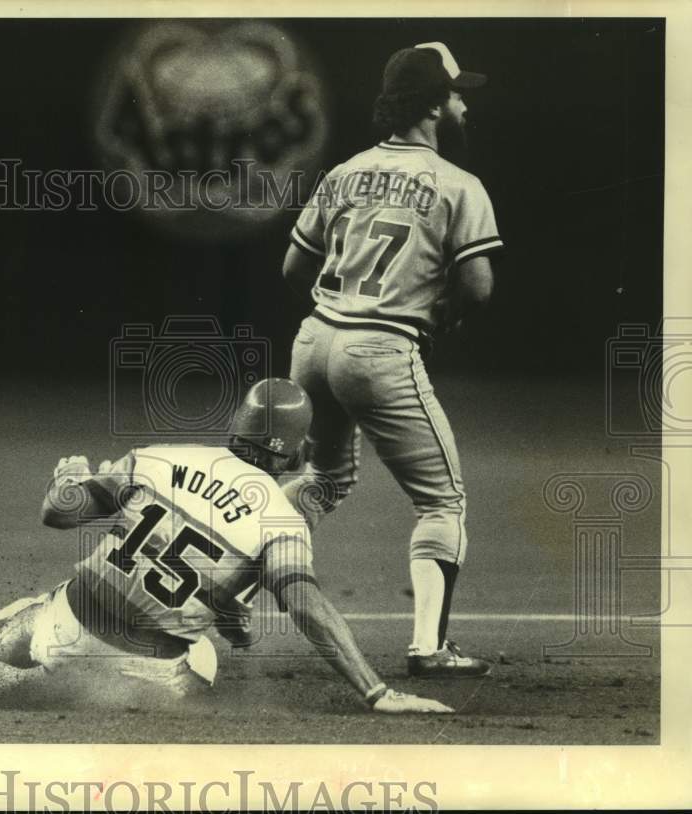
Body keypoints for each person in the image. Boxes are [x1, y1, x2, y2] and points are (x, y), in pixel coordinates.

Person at [0, 378, 452, 714]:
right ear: (289, 454)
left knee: (33, 605)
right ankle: (26, 681)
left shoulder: (162, 455)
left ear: (238, 428)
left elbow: (57, 513)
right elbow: (306, 607)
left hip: (65, 623)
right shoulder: (283, 520)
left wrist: (68, 475)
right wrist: (377, 692)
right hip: (137, 675)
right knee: (204, 656)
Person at [281, 42, 503, 677]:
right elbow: (480, 285)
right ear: (433, 105)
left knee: (323, 480)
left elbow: (294, 267)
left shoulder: (345, 172)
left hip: (315, 340)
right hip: (379, 349)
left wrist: (341, 305)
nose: (462, 102)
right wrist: (437, 316)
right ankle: (429, 648)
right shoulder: (460, 184)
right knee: (443, 502)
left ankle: (224, 587)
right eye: (456, 92)